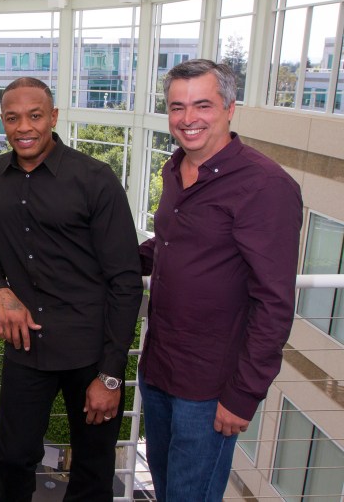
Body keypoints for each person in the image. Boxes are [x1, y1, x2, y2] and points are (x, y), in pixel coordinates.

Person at [0, 77, 143, 500]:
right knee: (11, 458)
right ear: (3, 123)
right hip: (26, 347)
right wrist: (1, 294)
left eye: (34, 115)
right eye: (12, 118)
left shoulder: (95, 179)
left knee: (93, 468)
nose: (23, 127)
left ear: (54, 118)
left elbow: (125, 280)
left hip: (91, 352)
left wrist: (111, 375)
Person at [138, 59, 303, 501]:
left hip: (210, 389)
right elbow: (168, 244)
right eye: (177, 107)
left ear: (231, 108)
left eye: (202, 105)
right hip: (158, 371)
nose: (188, 119)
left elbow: (275, 302)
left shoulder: (265, 186)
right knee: (166, 488)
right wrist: (109, 262)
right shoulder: (175, 169)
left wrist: (244, 394)